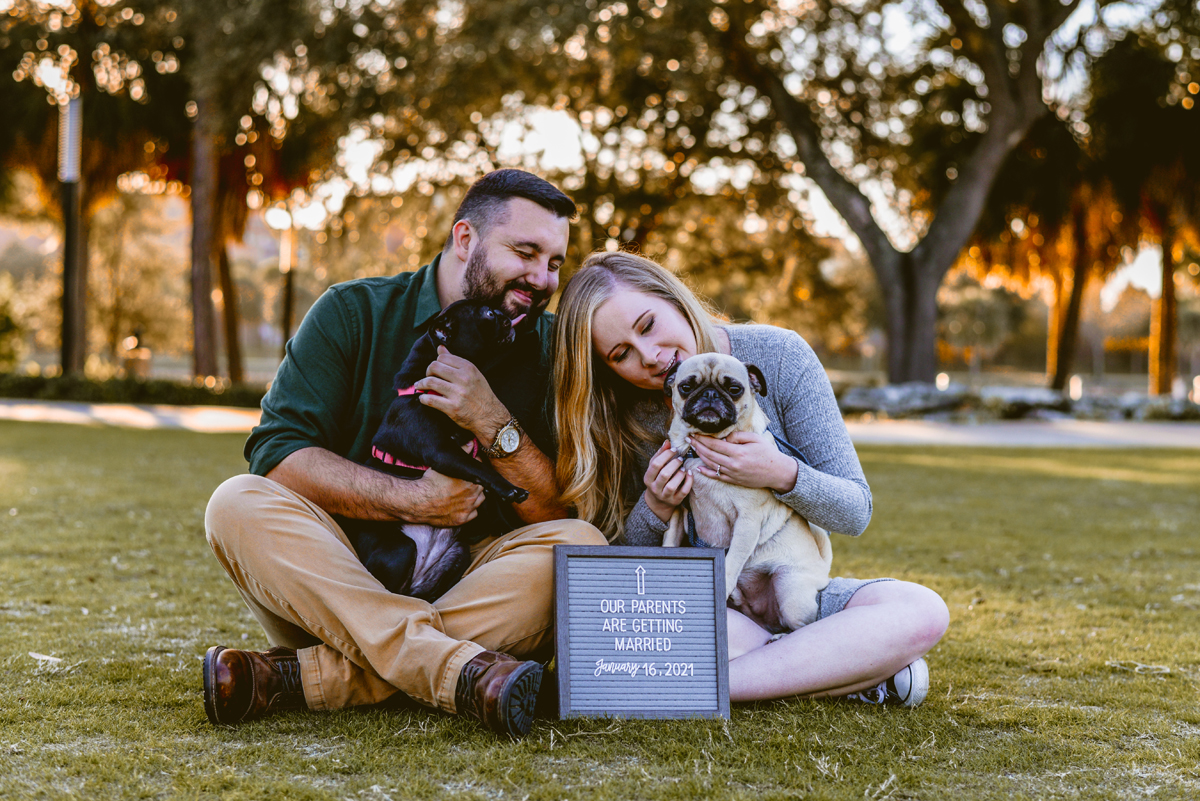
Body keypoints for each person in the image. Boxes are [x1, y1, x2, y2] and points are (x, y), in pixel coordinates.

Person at [203, 169, 607, 739]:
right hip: (342, 580)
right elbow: (278, 454)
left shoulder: (552, 350)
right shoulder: (353, 313)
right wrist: (414, 501)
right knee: (235, 502)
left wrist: (491, 420)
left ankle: (301, 678)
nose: (542, 278)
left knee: (580, 548)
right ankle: (454, 669)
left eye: (556, 263)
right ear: (465, 240)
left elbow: (553, 514)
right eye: (525, 252)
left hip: (473, 580)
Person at [553, 251, 949, 705]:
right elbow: (621, 580)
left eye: (648, 326)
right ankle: (836, 669)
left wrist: (781, 472)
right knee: (647, 633)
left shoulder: (779, 356)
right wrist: (655, 508)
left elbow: (855, 511)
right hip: (706, 608)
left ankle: (700, 683)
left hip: (787, 586)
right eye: (621, 354)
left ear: (675, 300)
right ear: (605, 367)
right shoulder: (613, 414)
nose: (650, 357)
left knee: (922, 611)